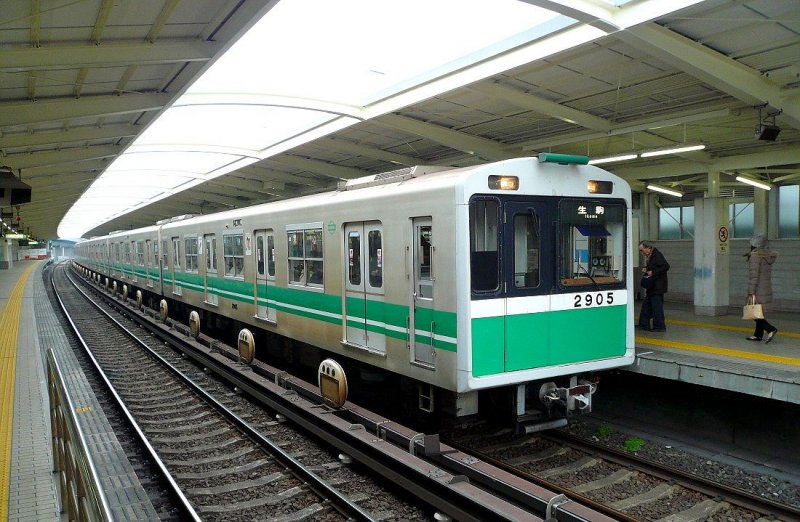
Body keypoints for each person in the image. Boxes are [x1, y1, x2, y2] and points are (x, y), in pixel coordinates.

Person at [744, 234, 778, 343]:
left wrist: (751, 291)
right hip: (766, 288)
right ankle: (758, 335)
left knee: (754, 313)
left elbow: (754, 276)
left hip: (758, 289)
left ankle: (770, 329)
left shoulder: (755, 256)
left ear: (754, 245)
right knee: (758, 312)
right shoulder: (766, 255)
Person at [637, 240, 670, 332]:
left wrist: (653, 272)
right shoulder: (650, 256)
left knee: (657, 307)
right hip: (652, 287)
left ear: (648, 248)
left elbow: (666, 266)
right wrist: (647, 269)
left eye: (642, 250)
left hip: (657, 287)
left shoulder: (657, 255)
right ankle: (643, 324)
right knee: (646, 306)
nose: (642, 252)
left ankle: (659, 327)